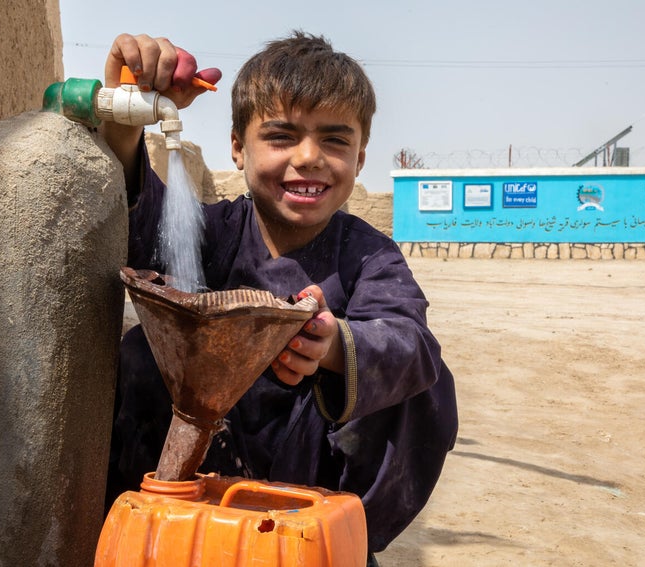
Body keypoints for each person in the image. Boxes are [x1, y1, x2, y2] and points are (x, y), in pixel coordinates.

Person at [102, 32, 458, 561]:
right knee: (142, 351)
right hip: (196, 478)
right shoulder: (211, 233)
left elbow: (408, 337)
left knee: (424, 383)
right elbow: (142, 226)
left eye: (335, 141)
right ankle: (148, 520)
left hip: (306, 492)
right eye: (281, 136)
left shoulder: (368, 257)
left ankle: (341, 533)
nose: (309, 158)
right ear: (238, 147)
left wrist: (335, 346)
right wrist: (125, 118)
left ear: (360, 158)